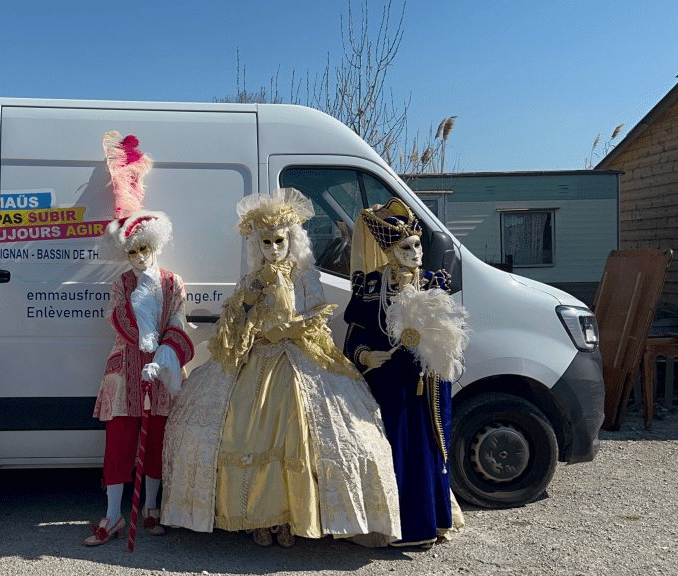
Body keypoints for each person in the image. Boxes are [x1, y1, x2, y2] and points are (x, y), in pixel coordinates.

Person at [161, 188, 401, 548]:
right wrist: (250, 306)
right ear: (258, 244)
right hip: (256, 358)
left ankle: (290, 517)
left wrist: (285, 329)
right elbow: (234, 324)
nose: (274, 248)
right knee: (236, 431)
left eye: (280, 241)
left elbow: (316, 317)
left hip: (298, 359)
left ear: (292, 240)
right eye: (267, 242)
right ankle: (256, 517)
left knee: (303, 435)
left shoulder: (305, 278)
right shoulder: (250, 281)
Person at [85, 132, 194, 546]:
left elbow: (178, 323)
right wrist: (141, 343)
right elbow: (118, 320)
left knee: (156, 446)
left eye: (146, 249)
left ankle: (150, 508)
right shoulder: (121, 283)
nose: (140, 257)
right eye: (133, 251)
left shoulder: (172, 282)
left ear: (157, 245)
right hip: (124, 373)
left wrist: (163, 354)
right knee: (119, 446)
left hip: (161, 372)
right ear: (126, 251)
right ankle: (113, 515)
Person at [342, 197, 468, 548]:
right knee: (393, 447)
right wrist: (367, 356)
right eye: (406, 247)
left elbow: (450, 332)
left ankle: (430, 522)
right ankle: (392, 527)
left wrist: (438, 346)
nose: (415, 253)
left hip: (426, 383)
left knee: (426, 449)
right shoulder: (370, 288)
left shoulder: (433, 283)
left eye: (417, 246)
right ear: (389, 252)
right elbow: (354, 338)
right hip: (387, 385)